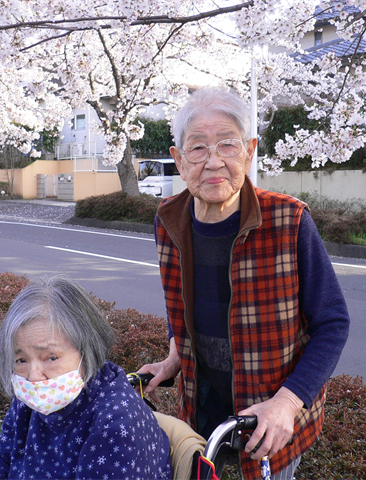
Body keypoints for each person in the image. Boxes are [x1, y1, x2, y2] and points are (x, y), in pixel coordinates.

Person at [138, 86, 350, 480]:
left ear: (249, 151)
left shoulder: (289, 221)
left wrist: (287, 403)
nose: (213, 162)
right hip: (200, 413)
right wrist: (174, 355)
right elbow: (180, 305)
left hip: (269, 419)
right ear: (179, 160)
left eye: (228, 146)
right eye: (198, 149)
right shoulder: (168, 220)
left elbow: (333, 323)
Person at [0, 275, 172, 480]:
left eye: (51, 357)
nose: (34, 376)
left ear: (87, 350)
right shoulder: (31, 397)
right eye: (21, 360)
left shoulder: (114, 423)